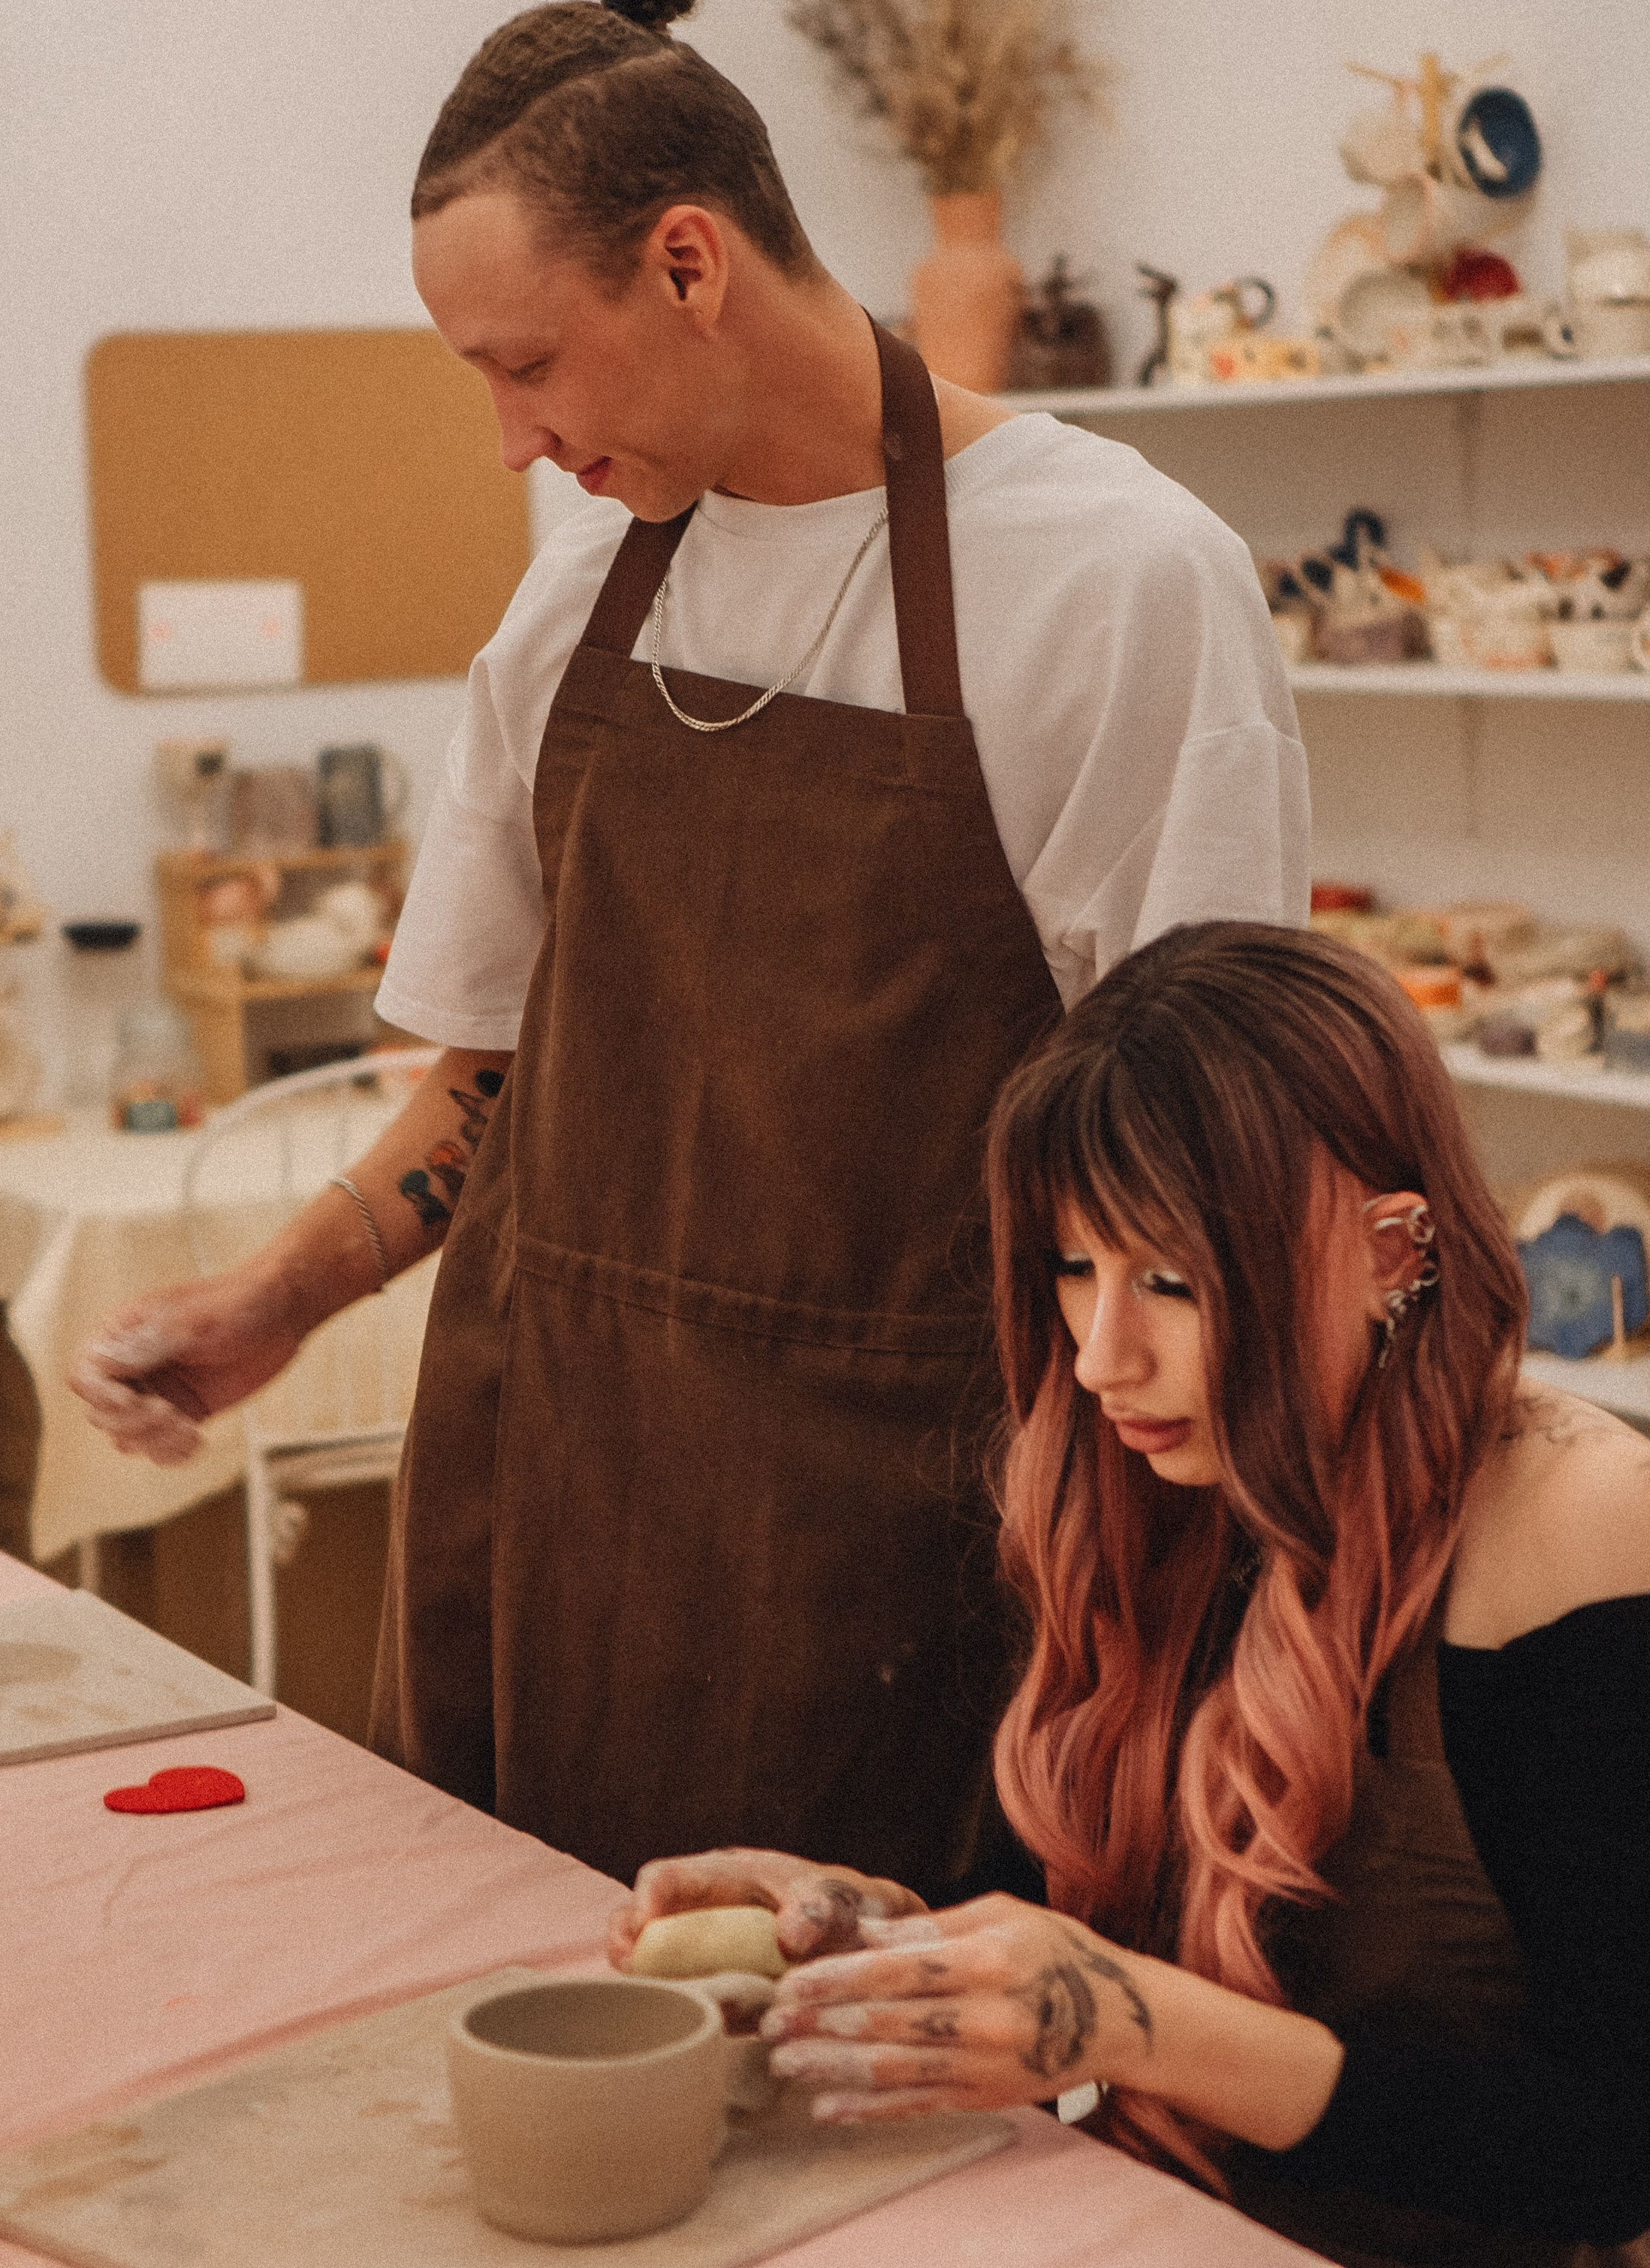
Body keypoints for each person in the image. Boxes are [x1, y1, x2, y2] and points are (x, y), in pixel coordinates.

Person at [71, 0, 1308, 1902]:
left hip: (903, 1566)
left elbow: (1214, 1174)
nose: (508, 440)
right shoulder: (573, 614)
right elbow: (489, 1083)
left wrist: (1211, 1616)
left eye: (524, 365)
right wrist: (271, 1307)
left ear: (685, 263)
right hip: (546, 1504)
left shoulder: (1118, 583)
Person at [613, 923, 1650, 2266]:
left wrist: (1135, 2024)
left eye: (1173, 1281)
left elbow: (1608, 2149)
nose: (1104, 1358)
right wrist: (868, 1938)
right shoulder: (1149, 1487)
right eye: (1073, 1266)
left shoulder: (1577, 1528)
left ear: (1395, 1251)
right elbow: (1049, 1914)